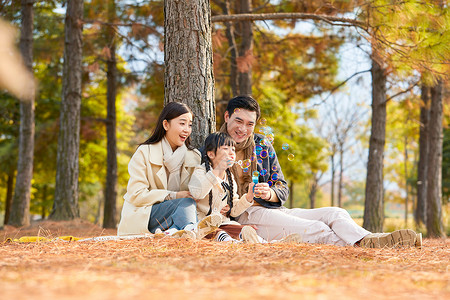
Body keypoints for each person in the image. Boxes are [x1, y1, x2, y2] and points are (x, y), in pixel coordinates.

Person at [218, 95, 422, 248]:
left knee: (336, 212)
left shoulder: (262, 144)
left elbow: (281, 187)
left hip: (273, 210)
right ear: (227, 116)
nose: (243, 129)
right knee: (318, 229)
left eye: (250, 124)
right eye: (238, 121)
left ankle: (370, 240)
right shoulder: (215, 146)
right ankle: (371, 247)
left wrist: (270, 193)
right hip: (245, 216)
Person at [117, 102, 219, 239]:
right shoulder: (144, 152)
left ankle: (181, 232)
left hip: (176, 217)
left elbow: (196, 193)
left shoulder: (193, 156)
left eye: (190, 125)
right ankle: (191, 230)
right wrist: (172, 195)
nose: (187, 130)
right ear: (166, 125)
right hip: (145, 216)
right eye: (182, 123)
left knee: (188, 203)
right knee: (186, 202)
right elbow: (136, 194)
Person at [189, 132, 301, 244]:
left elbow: (234, 211)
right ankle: (234, 243)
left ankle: (269, 244)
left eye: (233, 149)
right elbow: (197, 193)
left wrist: (248, 196)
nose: (231, 153)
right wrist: (217, 170)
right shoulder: (201, 171)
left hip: (225, 223)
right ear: (211, 154)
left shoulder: (229, 177)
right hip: (204, 226)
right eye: (225, 149)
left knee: (244, 230)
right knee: (220, 233)